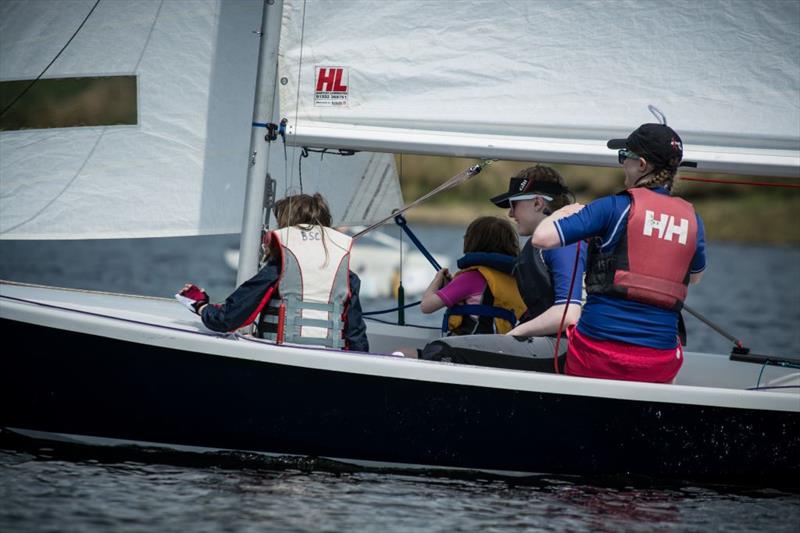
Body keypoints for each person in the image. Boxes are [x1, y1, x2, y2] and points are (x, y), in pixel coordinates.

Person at [532, 123, 706, 383]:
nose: (622, 163)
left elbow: (541, 238)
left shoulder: (614, 207)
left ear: (642, 165)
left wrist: (561, 213)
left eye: (625, 156)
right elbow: (694, 277)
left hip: (596, 355)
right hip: (659, 362)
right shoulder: (693, 220)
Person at [177, 193, 369, 351]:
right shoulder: (349, 278)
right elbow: (356, 338)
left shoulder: (277, 271)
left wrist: (201, 305)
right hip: (330, 363)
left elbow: (227, 320)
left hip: (281, 358)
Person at [489, 165, 586, 337]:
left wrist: (513, 335)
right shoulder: (552, 241)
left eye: (514, 204)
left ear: (537, 203)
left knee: (447, 352)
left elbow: (568, 315)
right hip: (558, 342)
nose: (510, 214)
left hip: (572, 349)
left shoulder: (563, 241)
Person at [420, 216, 526, 335]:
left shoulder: (471, 277)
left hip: (469, 345)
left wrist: (437, 280)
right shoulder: (514, 279)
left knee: (406, 352)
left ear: (471, 241)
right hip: (501, 346)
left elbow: (426, 306)